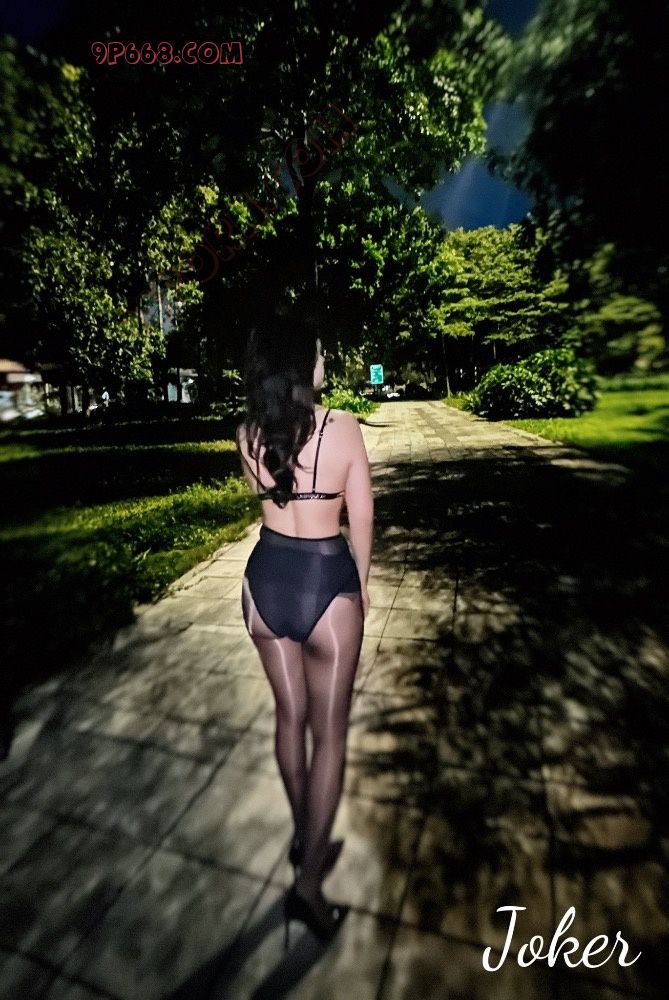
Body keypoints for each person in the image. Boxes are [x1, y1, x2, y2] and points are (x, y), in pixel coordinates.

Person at [235, 316, 374, 947]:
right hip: (325, 585)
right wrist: (361, 586)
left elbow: (268, 495)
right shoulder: (342, 426)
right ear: (300, 364)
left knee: (289, 718)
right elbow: (360, 514)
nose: (324, 362)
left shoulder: (246, 432)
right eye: (318, 354)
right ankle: (309, 885)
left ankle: (304, 834)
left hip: (264, 582)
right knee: (330, 735)